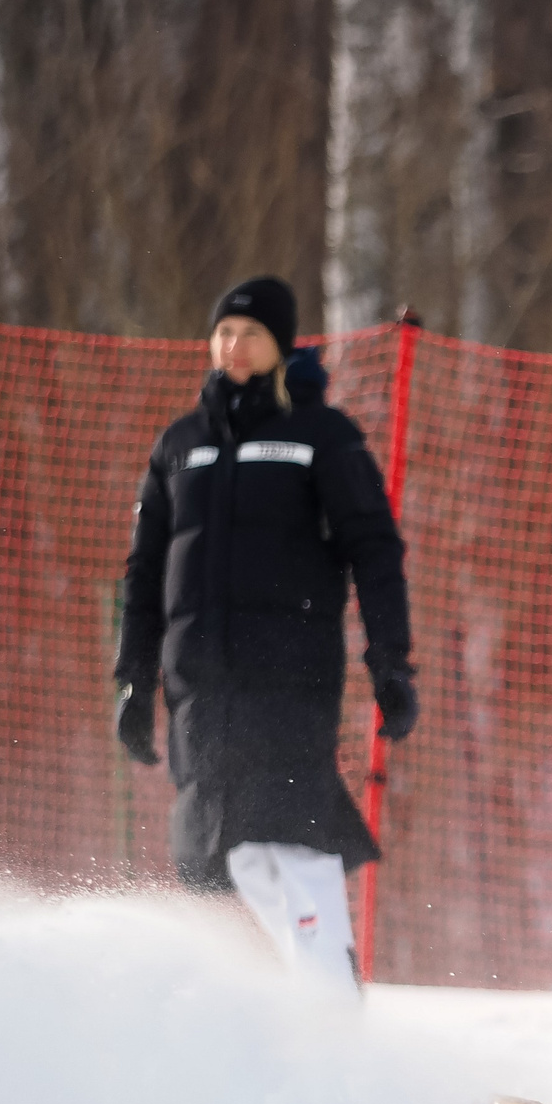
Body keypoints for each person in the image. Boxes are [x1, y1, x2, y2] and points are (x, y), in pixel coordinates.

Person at [112, 276, 417, 988]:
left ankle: (333, 1005)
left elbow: (373, 547)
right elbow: (144, 570)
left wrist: (390, 661)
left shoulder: (320, 436)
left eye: (250, 333)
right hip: (199, 686)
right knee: (219, 852)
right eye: (224, 331)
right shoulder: (178, 445)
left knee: (288, 833)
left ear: (282, 345)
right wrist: (133, 677)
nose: (233, 345)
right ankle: (263, 1032)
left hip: (288, 676)